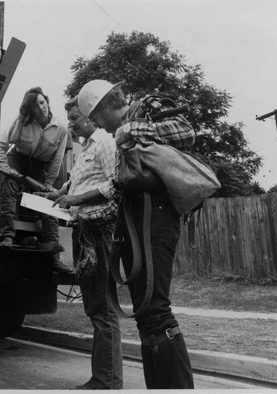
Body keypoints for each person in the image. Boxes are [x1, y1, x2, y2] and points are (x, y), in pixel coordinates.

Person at [77, 80, 195, 389]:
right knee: (146, 316)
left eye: (95, 118)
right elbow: (122, 186)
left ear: (103, 107)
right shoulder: (119, 141)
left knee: (156, 311)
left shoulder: (147, 107)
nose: (97, 125)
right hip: (134, 224)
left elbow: (187, 134)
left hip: (156, 220)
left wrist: (132, 131)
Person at [46, 96, 123, 389]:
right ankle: (102, 378)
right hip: (83, 232)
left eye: (76, 119)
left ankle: (107, 382)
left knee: (103, 308)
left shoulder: (105, 143)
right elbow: (79, 185)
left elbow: (115, 185)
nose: (72, 124)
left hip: (99, 232)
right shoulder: (84, 149)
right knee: (94, 307)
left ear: (91, 117)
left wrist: (75, 199)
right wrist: (59, 194)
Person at [0, 86, 74, 274]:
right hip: (17, 159)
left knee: (48, 201)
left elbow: (58, 160)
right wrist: (6, 170)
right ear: (30, 110)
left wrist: (48, 183)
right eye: (36, 106)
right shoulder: (22, 121)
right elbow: (0, 144)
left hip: (39, 167)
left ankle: (53, 255)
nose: (41, 108)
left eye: (42, 102)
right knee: (9, 187)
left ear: (47, 101)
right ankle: (7, 237)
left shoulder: (61, 128)